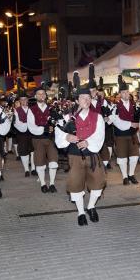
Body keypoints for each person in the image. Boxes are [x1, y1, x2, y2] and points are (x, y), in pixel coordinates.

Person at [55, 87, 105, 226]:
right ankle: (81, 212)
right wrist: (67, 136)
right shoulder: (67, 117)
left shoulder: (98, 116)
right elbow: (58, 133)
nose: (86, 100)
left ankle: (91, 206)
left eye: (89, 98)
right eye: (83, 98)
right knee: (76, 184)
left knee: (98, 183)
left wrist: (88, 142)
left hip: (93, 155)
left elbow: (100, 134)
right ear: (77, 100)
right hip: (75, 156)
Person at [27, 86, 59, 193]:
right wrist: (44, 128)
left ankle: (52, 183)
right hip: (38, 139)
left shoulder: (52, 108)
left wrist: (54, 125)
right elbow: (31, 126)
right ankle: (43, 183)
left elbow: (58, 122)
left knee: (53, 162)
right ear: (35, 96)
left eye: (43, 94)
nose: (41, 96)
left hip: (51, 139)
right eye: (39, 94)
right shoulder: (31, 110)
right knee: (40, 163)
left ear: (45, 96)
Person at [109, 76, 140, 185]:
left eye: (127, 92)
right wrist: (131, 124)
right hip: (121, 135)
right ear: (120, 94)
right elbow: (116, 122)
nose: (126, 94)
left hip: (132, 135)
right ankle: (124, 176)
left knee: (134, 156)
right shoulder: (115, 107)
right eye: (123, 92)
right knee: (122, 157)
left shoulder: (135, 105)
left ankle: (131, 174)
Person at [14, 86, 36, 177]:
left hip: (32, 133)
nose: (23, 102)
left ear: (27, 100)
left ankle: (34, 168)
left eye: (25, 99)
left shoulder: (32, 109)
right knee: (23, 151)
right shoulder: (16, 110)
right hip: (22, 133)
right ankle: (26, 169)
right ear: (19, 101)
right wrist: (27, 125)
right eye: (21, 100)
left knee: (33, 150)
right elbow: (16, 123)